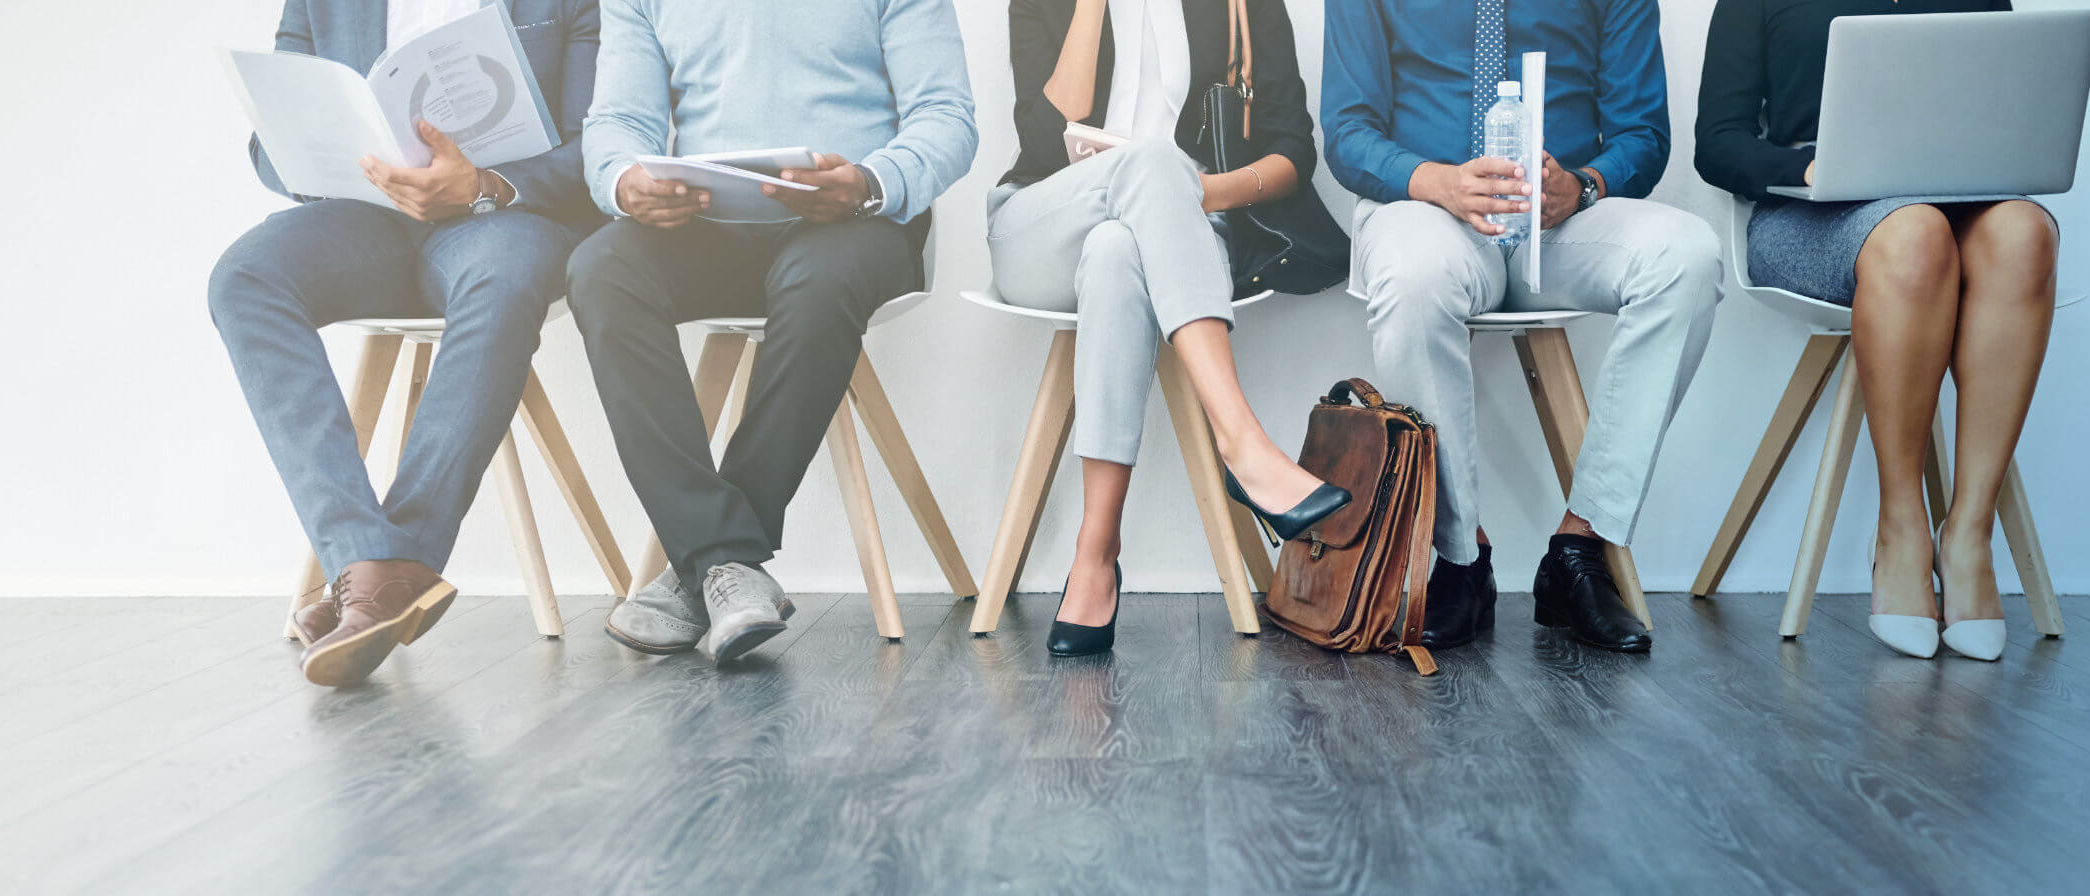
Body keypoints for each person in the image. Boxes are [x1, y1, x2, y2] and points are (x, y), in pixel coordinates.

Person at [571, 0, 976, 666]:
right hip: (706, 222)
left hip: (855, 217)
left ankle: (707, 561)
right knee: (600, 268)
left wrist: (868, 182)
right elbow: (620, 119)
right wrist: (623, 179)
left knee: (815, 282)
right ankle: (727, 563)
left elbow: (946, 116)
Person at [209, 0, 602, 687]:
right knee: (244, 278)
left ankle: (383, 576)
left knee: (503, 281)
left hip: (499, 216)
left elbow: (597, 142)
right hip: (367, 218)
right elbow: (269, 148)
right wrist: (321, 152)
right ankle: (368, 561)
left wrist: (482, 185)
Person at [1322, 0, 1722, 655]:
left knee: (1687, 256)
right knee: (1413, 275)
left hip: (1559, 222)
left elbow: (1642, 134)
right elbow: (1346, 130)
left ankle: (1581, 544)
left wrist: (1585, 186)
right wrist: (1438, 182)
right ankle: (1458, 556)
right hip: (1430, 207)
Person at [1696, 0, 2056, 661]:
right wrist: (1804, 170)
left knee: (2026, 232)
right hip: (1810, 215)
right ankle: (1901, 526)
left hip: (1957, 206)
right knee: (1914, 235)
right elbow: (1717, 140)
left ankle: (1969, 533)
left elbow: (2005, 114)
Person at [993, 0, 1354, 657]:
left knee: (1114, 250)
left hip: (1174, 235)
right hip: (1041, 223)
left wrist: (1202, 192)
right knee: (1152, 165)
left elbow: (1292, 150)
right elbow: (1049, 139)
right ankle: (1244, 446)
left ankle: (1095, 555)